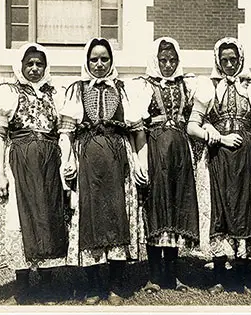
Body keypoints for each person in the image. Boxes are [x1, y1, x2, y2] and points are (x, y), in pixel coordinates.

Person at [0, 43, 71, 305]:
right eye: (29, 63)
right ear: (20, 66)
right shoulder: (8, 93)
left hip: (49, 168)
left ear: (46, 66)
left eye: (38, 64)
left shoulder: (57, 95)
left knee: (48, 218)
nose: (34, 68)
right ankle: (22, 287)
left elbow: (64, 135)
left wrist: (66, 167)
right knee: (18, 218)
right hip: (18, 165)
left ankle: (48, 285)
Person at [59, 38, 142, 306]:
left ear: (111, 61)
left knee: (118, 215)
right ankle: (93, 285)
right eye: (94, 59)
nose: (99, 64)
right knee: (90, 217)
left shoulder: (123, 90)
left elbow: (137, 131)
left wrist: (141, 163)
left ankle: (115, 285)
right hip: (88, 163)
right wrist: (67, 161)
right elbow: (66, 133)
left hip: (119, 163)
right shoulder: (76, 90)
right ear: (87, 61)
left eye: (104, 59)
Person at [187, 37, 251, 295]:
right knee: (220, 208)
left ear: (241, 60)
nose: (230, 65)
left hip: (245, 159)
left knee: (244, 209)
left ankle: (241, 277)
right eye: (225, 60)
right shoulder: (208, 89)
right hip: (218, 157)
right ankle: (220, 276)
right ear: (218, 62)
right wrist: (215, 135)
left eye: (234, 60)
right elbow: (192, 126)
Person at [131, 37, 200, 293]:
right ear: (155, 61)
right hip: (156, 150)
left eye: (172, 60)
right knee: (156, 206)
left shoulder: (187, 85)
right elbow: (137, 125)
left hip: (180, 152)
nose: (168, 65)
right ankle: (154, 275)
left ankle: (172, 274)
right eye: (163, 60)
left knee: (176, 206)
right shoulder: (144, 86)